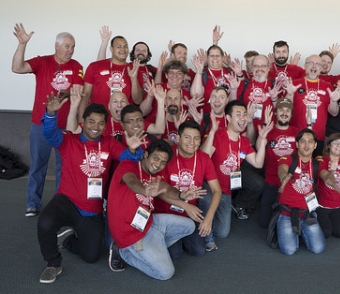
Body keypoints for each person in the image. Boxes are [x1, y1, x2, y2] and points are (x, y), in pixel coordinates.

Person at [37, 97, 144, 284]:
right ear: (83, 122)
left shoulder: (109, 143)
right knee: (45, 223)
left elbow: (129, 158)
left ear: (105, 125)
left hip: (92, 208)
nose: (96, 126)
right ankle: (53, 263)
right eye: (91, 121)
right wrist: (51, 113)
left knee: (91, 256)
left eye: (101, 123)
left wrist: (134, 149)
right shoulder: (69, 140)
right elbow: (50, 133)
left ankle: (69, 239)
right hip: (67, 201)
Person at [11, 23, 84, 217]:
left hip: (65, 126)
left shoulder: (77, 66)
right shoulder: (42, 62)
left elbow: (78, 90)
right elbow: (17, 68)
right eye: (67, 46)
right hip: (42, 124)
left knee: (64, 167)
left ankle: (59, 204)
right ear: (56, 46)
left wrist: (68, 94)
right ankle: (32, 203)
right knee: (38, 165)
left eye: (73, 47)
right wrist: (22, 44)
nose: (70, 50)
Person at [107, 140, 205, 280]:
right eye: (156, 158)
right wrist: (145, 190)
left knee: (189, 226)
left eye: (163, 162)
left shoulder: (154, 176)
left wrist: (181, 195)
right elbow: (131, 182)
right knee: (165, 273)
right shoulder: (128, 165)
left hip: (149, 223)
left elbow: (166, 188)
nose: (158, 164)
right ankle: (123, 252)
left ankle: (155, 245)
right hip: (130, 233)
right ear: (146, 154)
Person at [201, 100, 273, 241]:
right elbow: (204, 156)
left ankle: (211, 219)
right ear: (228, 118)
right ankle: (204, 229)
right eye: (238, 114)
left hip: (226, 192)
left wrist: (263, 139)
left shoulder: (244, 142)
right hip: (209, 188)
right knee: (207, 209)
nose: (243, 118)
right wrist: (212, 132)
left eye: (245, 114)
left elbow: (258, 163)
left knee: (222, 233)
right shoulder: (218, 135)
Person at [151, 121, 222, 257]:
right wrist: (184, 205)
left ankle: (182, 236)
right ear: (178, 138)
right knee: (175, 254)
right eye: (187, 137)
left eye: (196, 138)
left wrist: (208, 218)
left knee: (199, 251)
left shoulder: (204, 158)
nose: (192, 142)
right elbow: (158, 191)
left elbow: (217, 191)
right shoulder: (167, 155)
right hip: (167, 213)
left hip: (189, 215)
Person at [271, 129, 325, 255]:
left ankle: (300, 231)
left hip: (307, 212)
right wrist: (284, 178)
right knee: (289, 250)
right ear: (297, 144)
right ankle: (294, 231)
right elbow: (282, 168)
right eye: (303, 142)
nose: (307, 145)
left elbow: (326, 174)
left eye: (310, 142)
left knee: (318, 248)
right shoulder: (289, 159)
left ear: (315, 145)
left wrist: (331, 180)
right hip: (286, 213)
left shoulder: (317, 164)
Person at [286, 54, 340, 154]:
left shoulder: (327, 86)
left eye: (317, 64)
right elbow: (286, 109)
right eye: (310, 63)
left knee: (315, 166)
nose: (314, 66)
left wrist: (334, 101)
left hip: (318, 136)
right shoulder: (294, 84)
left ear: (321, 68)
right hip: (297, 135)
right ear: (305, 66)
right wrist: (289, 95)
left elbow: (334, 113)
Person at [258, 98, 299, 228]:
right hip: (271, 182)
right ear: (275, 113)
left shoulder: (297, 132)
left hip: (290, 183)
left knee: (286, 222)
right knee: (264, 223)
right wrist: (264, 130)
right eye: (281, 109)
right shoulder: (268, 130)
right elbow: (259, 148)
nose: (284, 113)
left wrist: (309, 125)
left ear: (291, 114)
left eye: (288, 110)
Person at [81, 36, 142, 121]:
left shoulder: (134, 69)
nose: (123, 49)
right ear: (111, 49)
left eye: (125, 46)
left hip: (124, 121)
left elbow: (138, 100)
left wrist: (134, 78)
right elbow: (85, 96)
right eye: (119, 46)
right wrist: (81, 120)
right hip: (98, 121)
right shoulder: (94, 66)